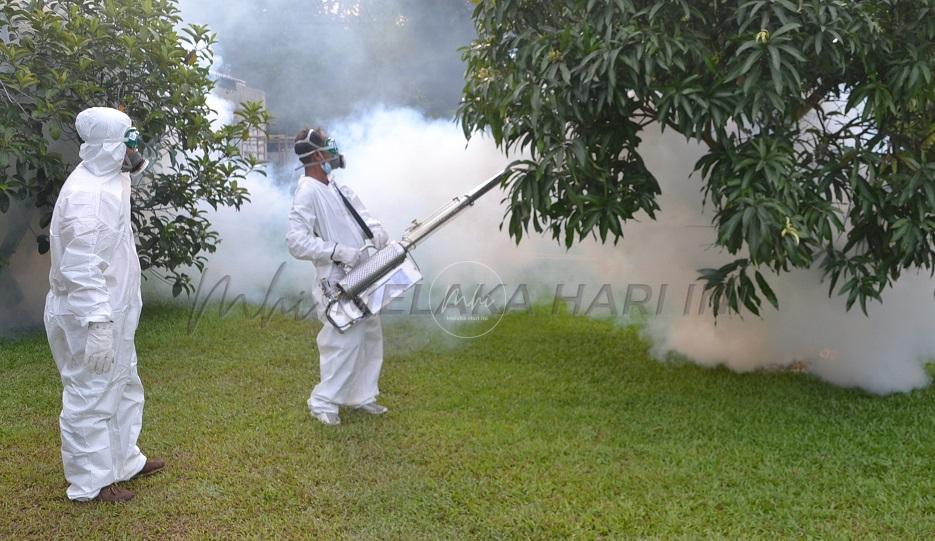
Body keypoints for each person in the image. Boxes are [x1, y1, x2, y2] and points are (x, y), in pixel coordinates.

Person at [43, 107, 164, 503]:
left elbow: (126, 170)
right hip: (89, 313)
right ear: (109, 148)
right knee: (89, 394)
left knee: (123, 382)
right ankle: (90, 484)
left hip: (113, 309)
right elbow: (80, 267)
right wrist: (97, 324)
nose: (134, 151)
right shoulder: (87, 198)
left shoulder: (109, 178)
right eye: (128, 143)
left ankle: (124, 461)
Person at [286, 127, 390, 426]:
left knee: (370, 334)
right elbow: (296, 241)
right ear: (318, 155)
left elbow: (367, 220)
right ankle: (323, 402)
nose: (335, 151)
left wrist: (378, 235)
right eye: (329, 146)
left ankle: (363, 396)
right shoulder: (307, 191)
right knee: (343, 339)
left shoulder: (338, 187)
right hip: (336, 279)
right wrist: (341, 252)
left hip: (364, 272)